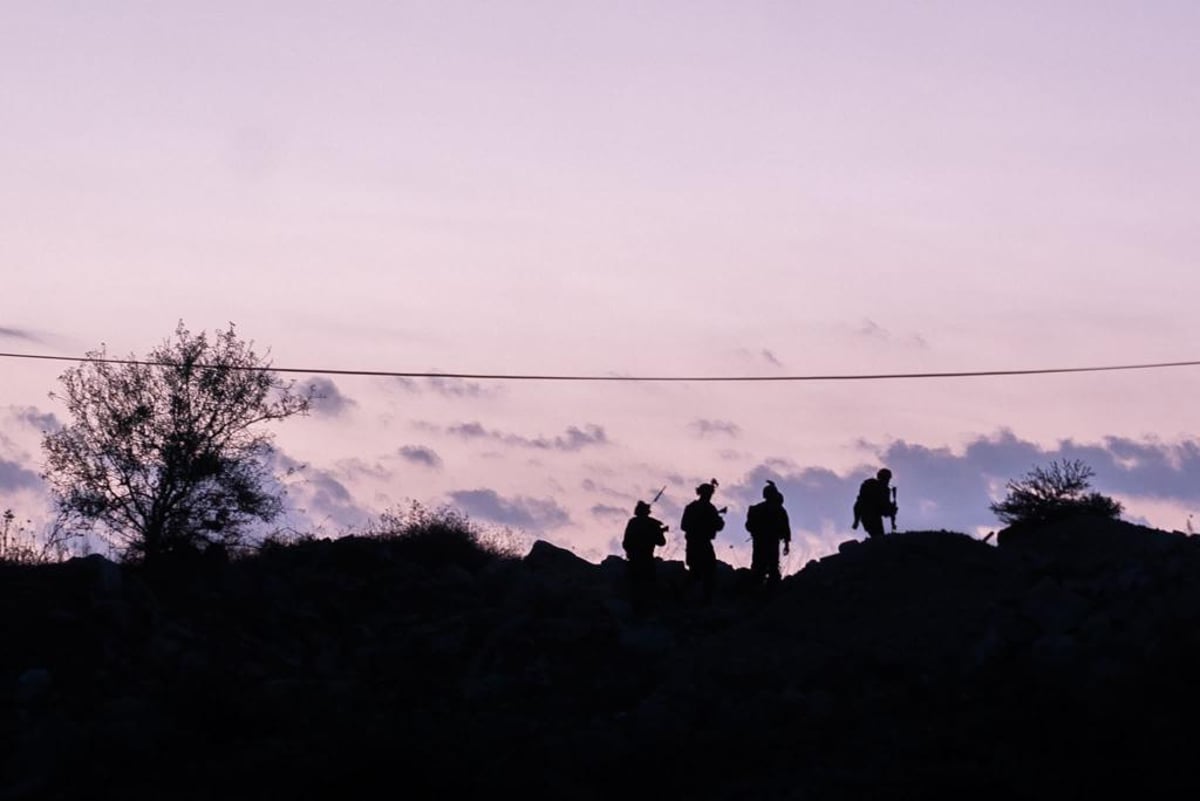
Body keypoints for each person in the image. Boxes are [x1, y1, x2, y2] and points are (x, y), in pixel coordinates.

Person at [680, 478, 726, 602]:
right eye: (709, 493)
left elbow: (684, 526)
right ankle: (701, 599)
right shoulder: (709, 509)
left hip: (694, 543)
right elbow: (719, 526)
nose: (710, 496)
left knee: (698, 571)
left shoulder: (692, 507)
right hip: (701, 543)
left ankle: (684, 595)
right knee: (706, 571)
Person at [622, 499, 668, 616]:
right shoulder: (653, 523)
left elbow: (626, 543)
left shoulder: (632, 522)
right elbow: (661, 542)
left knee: (635, 587)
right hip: (647, 559)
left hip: (634, 559)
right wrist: (660, 531)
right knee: (648, 586)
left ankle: (636, 612)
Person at [745, 479, 791, 587]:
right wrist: (786, 544)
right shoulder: (779, 510)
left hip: (760, 541)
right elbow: (785, 528)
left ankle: (757, 588)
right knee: (772, 566)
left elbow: (748, 526)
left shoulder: (756, 509)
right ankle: (769, 590)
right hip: (771, 541)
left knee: (759, 565)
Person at [852, 468, 897, 539]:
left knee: (879, 537)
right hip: (868, 516)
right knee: (878, 537)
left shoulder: (884, 490)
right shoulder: (871, 485)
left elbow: (884, 510)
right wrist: (856, 520)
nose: (887, 481)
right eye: (886, 478)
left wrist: (892, 510)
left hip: (873, 517)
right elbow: (860, 503)